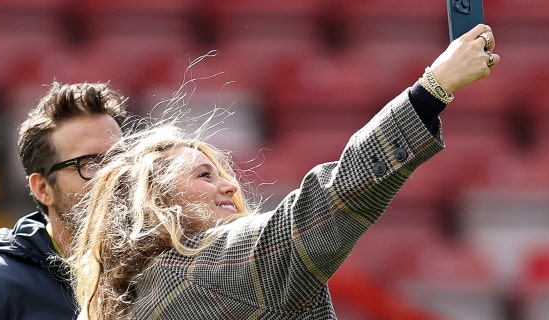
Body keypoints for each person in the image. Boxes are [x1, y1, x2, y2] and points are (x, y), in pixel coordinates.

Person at [68, 24, 500, 320]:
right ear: (157, 206)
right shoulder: (202, 266)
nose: (229, 184)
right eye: (203, 175)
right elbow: (324, 206)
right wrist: (433, 89)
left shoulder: (143, 296)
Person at [0, 82, 130, 320]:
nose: (113, 175)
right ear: (43, 188)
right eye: (89, 164)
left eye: (122, 160)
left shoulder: (163, 273)